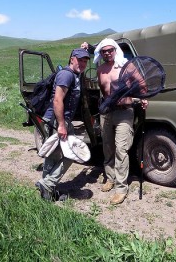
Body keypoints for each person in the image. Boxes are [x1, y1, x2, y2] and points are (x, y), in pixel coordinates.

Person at [81, 39, 148, 205]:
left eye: (110, 50)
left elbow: (142, 84)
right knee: (108, 148)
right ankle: (109, 178)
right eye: (104, 51)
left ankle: (121, 188)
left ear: (116, 50)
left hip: (124, 113)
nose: (107, 53)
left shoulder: (126, 67)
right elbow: (103, 92)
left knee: (121, 149)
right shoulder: (101, 69)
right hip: (107, 113)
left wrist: (142, 98)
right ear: (101, 53)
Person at [35, 48, 90, 201]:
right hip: (57, 120)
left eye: (85, 60)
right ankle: (48, 184)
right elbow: (57, 100)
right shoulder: (66, 75)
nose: (83, 63)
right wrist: (61, 125)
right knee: (72, 153)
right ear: (72, 59)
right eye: (80, 60)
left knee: (53, 155)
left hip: (60, 120)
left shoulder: (75, 74)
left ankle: (47, 191)